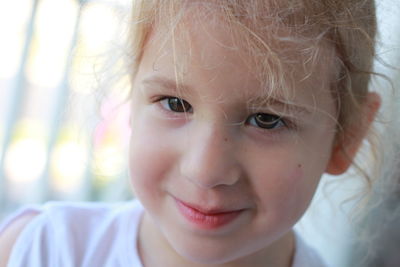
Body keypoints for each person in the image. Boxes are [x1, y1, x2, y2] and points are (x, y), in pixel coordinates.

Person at [0, 0, 385, 266]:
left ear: (346, 136)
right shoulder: (41, 250)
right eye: (174, 103)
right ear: (132, 95)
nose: (205, 169)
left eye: (266, 119)